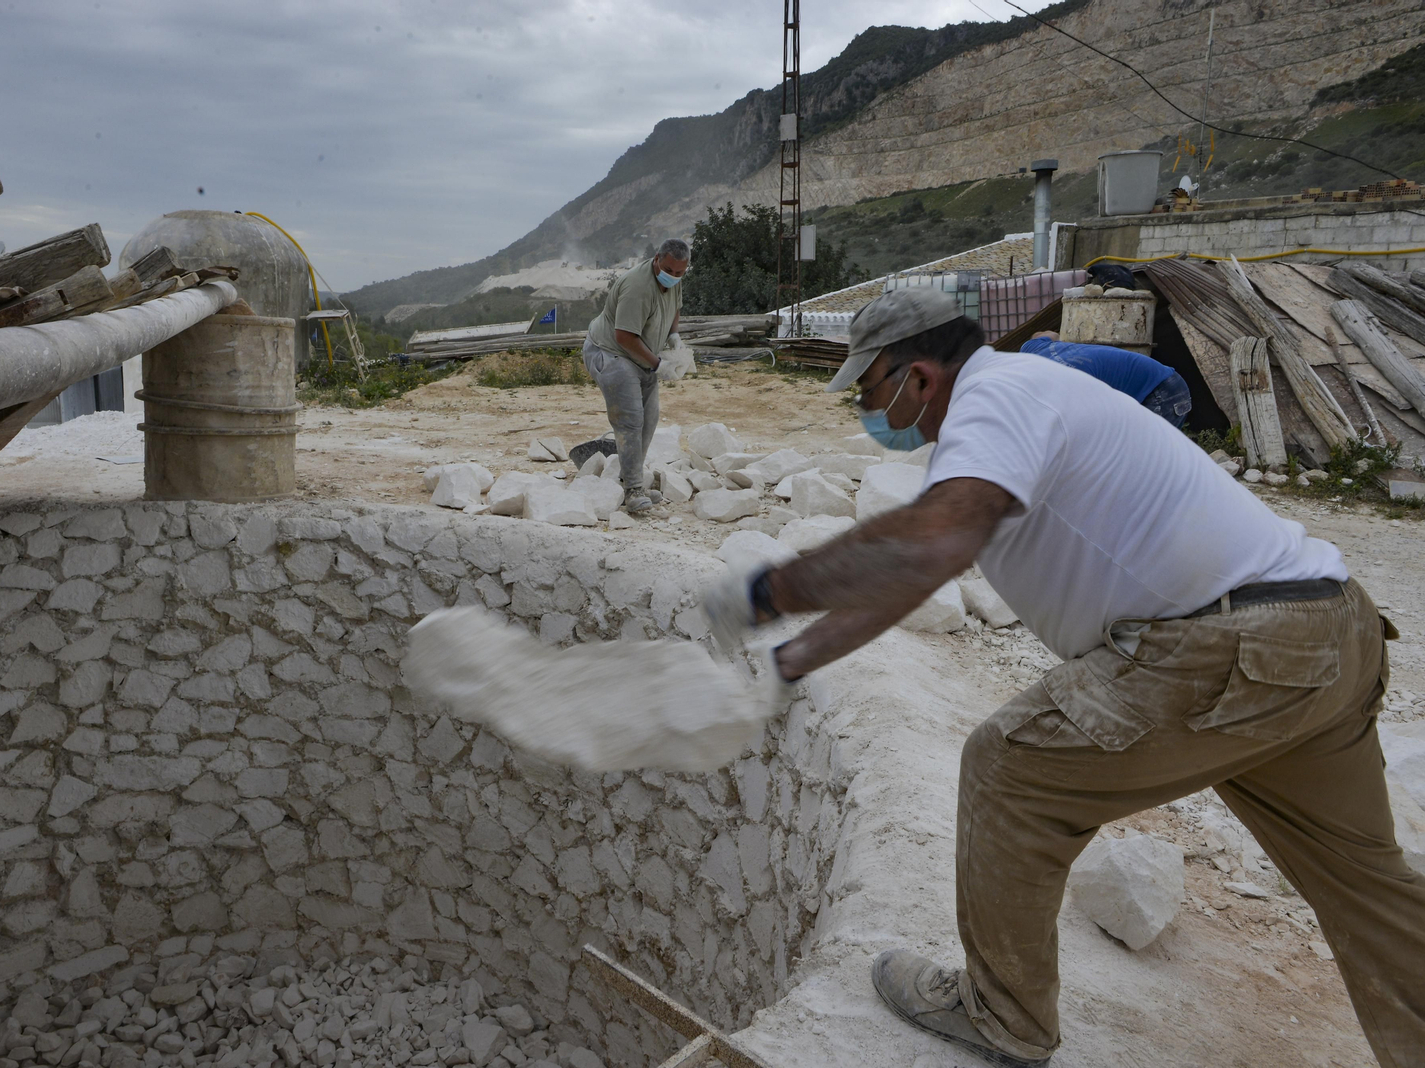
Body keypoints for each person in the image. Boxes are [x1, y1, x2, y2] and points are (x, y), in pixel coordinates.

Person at [702, 288, 1424, 1068]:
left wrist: (768, 593)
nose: (864, 411)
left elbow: (927, 544)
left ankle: (1002, 1017)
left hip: (1234, 647)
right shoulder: (1013, 411)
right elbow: (917, 572)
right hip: (1328, 630)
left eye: (867, 388)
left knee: (1009, 770)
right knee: (1365, 884)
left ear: (917, 378)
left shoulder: (993, 397)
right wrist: (793, 660)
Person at [582, 239, 688, 513]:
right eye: (668, 270)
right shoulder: (637, 287)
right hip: (611, 352)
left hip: (641, 355)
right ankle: (632, 491)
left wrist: (673, 335)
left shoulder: (675, 279)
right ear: (656, 259)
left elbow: (675, 307)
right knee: (630, 419)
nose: (674, 276)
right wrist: (658, 365)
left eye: (679, 272)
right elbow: (624, 336)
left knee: (649, 418)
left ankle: (630, 477)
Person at [1020, 330, 1193, 428]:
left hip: (1164, 391)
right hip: (1148, 386)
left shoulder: (1068, 381)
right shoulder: (1030, 348)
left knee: (1147, 462)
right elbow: (1048, 334)